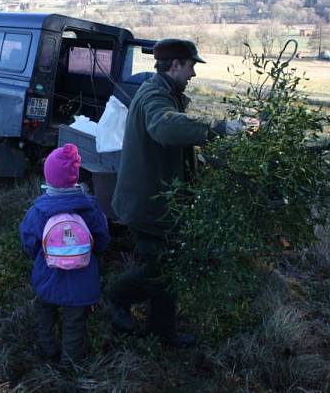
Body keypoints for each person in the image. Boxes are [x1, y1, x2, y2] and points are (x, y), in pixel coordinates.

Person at [106, 38, 257, 349]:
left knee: (167, 266)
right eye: (191, 66)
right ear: (175, 65)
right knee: (161, 269)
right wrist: (219, 128)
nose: (194, 74)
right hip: (147, 204)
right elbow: (166, 128)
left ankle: (163, 332)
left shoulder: (166, 92)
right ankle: (116, 297)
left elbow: (177, 140)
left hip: (159, 201)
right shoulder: (154, 96)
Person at [19, 143, 111, 365]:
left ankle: (48, 348)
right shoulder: (90, 208)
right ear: (75, 178)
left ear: (48, 178)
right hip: (82, 282)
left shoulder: (39, 210)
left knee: (45, 313)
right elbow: (103, 240)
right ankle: (70, 363)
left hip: (47, 278)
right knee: (74, 323)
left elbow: (28, 241)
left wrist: (40, 258)